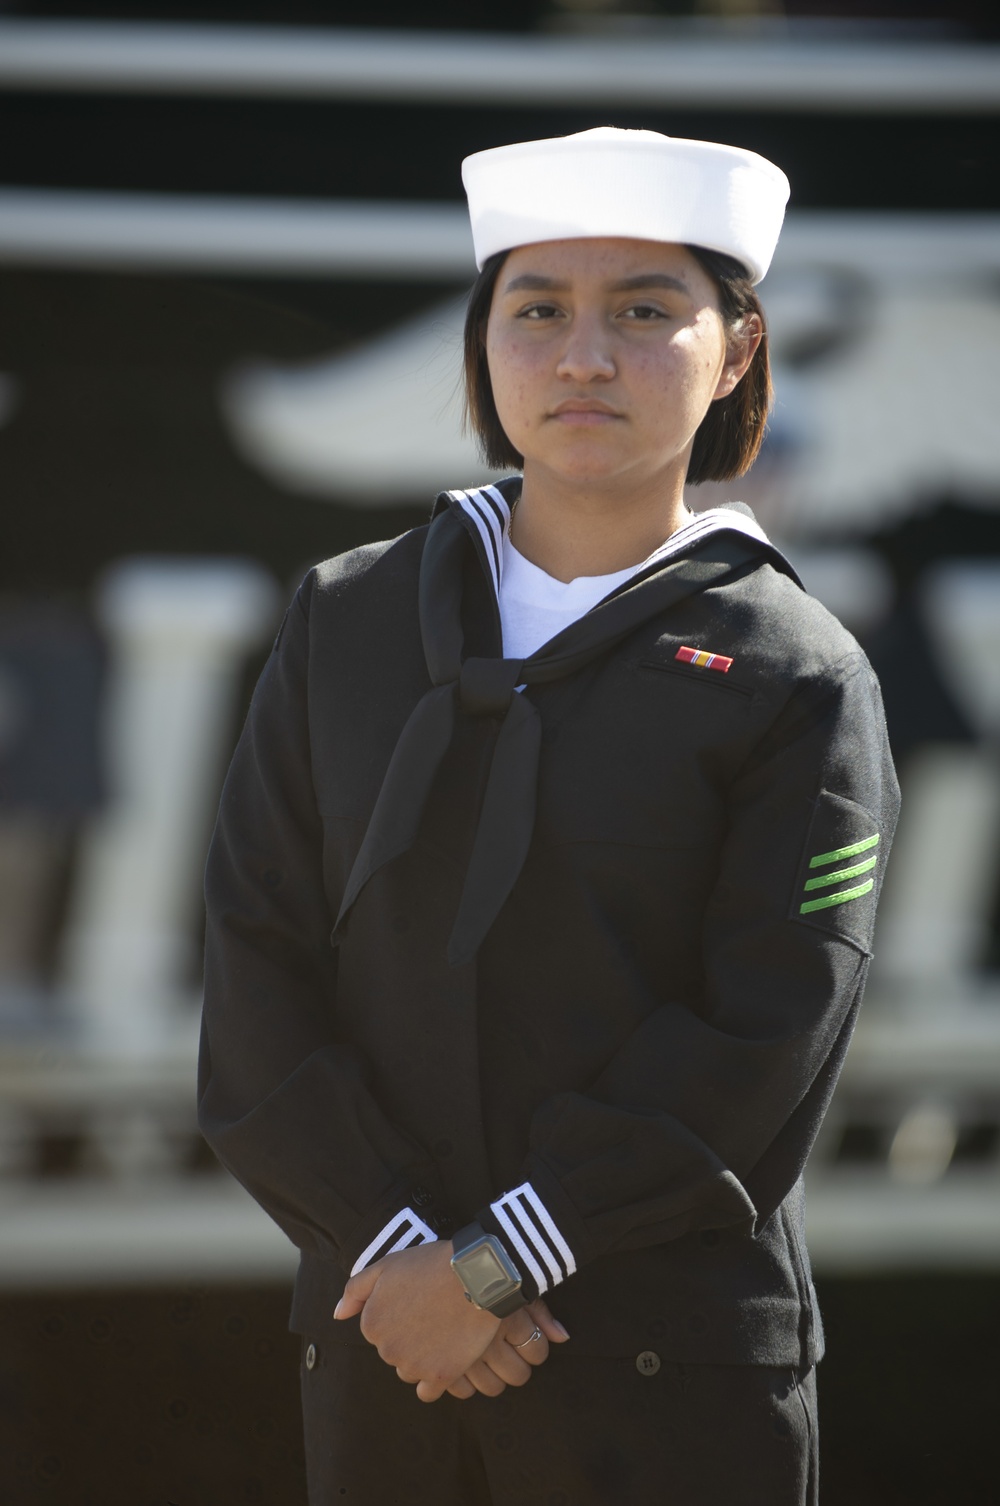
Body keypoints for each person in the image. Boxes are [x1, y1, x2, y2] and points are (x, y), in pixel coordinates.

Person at [198, 127, 899, 1505]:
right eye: (538, 310)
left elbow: (761, 1038)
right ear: (484, 345)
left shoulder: (795, 673)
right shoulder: (346, 621)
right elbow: (254, 972)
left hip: (670, 1379)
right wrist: (406, 1266)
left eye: (645, 310)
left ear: (740, 351)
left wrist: (492, 1265)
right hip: (382, 1349)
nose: (585, 355)